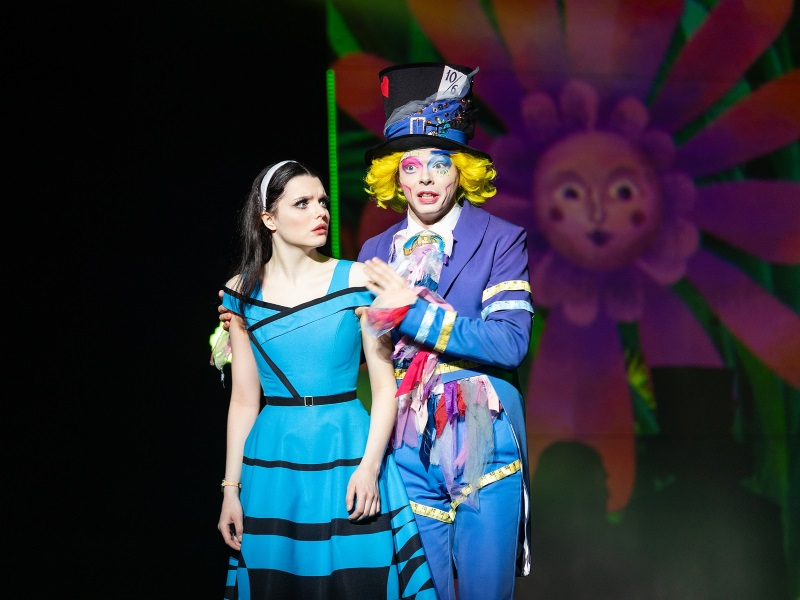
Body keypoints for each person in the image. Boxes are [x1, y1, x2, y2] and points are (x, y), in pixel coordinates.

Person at [218, 63, 534, 600]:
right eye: (412, 166)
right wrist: (253, 323)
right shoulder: (374, 252)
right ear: (396, 177)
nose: (426, 179)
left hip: (481, 435)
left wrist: (412, 312)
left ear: (461, 172)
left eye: (440, 164)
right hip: (404, 448)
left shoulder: (500, 238)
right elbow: (350, 350)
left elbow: (509, 342)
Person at [213, 159, 436, 600]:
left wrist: (369, 468)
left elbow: (385, 388)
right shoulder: (240, 291)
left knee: (358, 580)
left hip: (346, 449)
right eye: (303, 203)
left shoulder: (356, 278)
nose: (321, 212)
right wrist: (230, 490)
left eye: (323, 202)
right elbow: (243, 401)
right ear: (269, 219)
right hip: (274, 458)